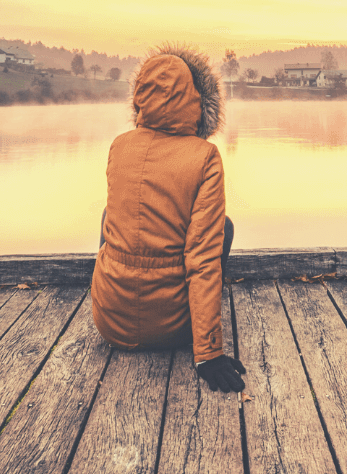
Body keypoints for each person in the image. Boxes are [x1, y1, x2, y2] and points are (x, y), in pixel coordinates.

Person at [90, 45, 247, 393]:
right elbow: (203, 257)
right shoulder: (205, 156)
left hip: (110, 323)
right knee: (223, 227)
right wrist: (208, 353)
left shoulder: (119, 146)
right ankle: (196, 324)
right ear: (198, 101)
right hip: (172, 328)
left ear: (139, 98)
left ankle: (114, 294)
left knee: (108, 216)